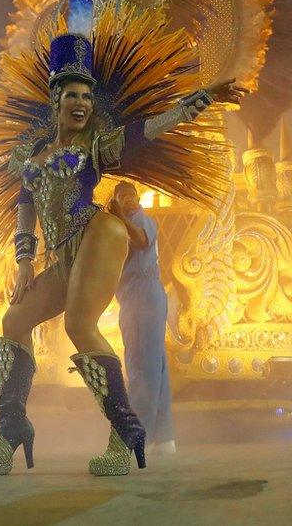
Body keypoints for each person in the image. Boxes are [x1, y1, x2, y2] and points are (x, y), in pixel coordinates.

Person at [0, 0, 243, 477]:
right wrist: (24, 261)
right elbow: (25, 204)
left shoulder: (98, 144)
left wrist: (201, 100)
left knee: (80, 325)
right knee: (14, 322)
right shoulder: (33, 151)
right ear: (55, 102)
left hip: (97, 234)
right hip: (60, 255)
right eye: (70, 95)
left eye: (85, 96)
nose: (79, 103)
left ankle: (124, 434)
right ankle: (10, 430)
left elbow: (150, 129)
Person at [108, 182, 175, 454]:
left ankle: (136, 435)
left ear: (137, 198)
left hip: (142, 294)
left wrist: (119, 216)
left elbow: (141, 240)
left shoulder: (139, 221)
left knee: (141, 366)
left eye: (131, 196)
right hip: (140, 294)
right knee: (155, 365)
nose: (128, 200)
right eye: (122, 197)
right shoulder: (120, 225)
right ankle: (164, 437)